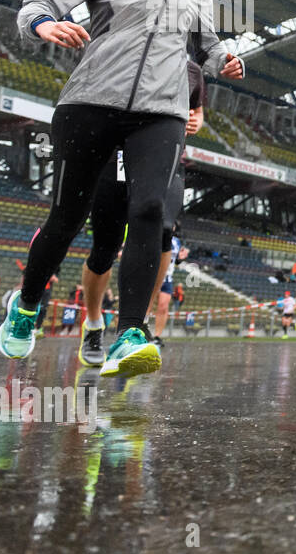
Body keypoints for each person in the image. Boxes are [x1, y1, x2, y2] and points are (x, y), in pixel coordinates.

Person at [0, 0, 242, 376]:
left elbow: (206, 45)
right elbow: (37, 5)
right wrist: (45, 26)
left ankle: (129, 331)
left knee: (150, 209)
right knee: (68, 216)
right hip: (90, 102)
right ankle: (25, 306)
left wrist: (224, 60)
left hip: (161, 111)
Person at [77, 60, 206, 365]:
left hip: (166, 162)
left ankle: (137, 323)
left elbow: (197, 112)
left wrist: (197, 119)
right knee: (104, 248)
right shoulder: (121, 49)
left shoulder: (191, 71)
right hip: (114, 157)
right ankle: (94, 323)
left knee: (162, 231)